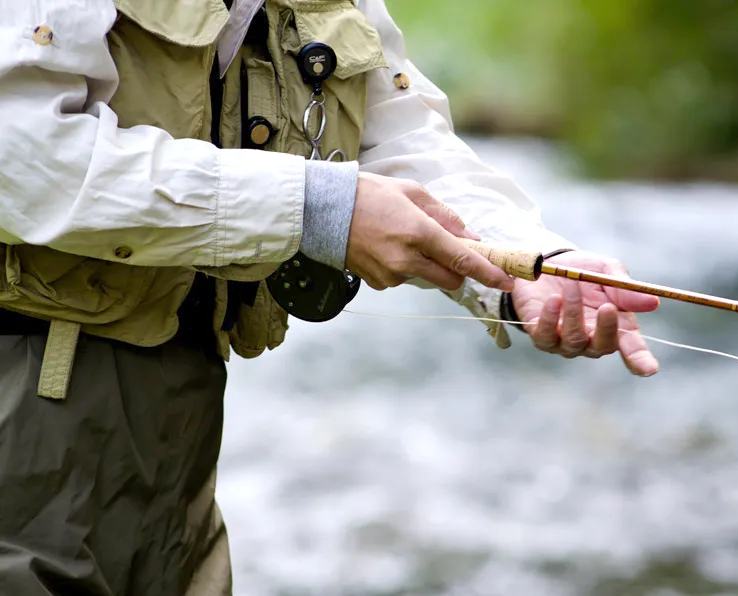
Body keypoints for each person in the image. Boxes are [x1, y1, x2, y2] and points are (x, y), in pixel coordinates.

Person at [0, 0, 660, 594]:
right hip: (24, 410)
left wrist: (527, 262)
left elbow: (395, 132)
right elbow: (18, 152)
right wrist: (316, 207)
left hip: (183, 431)